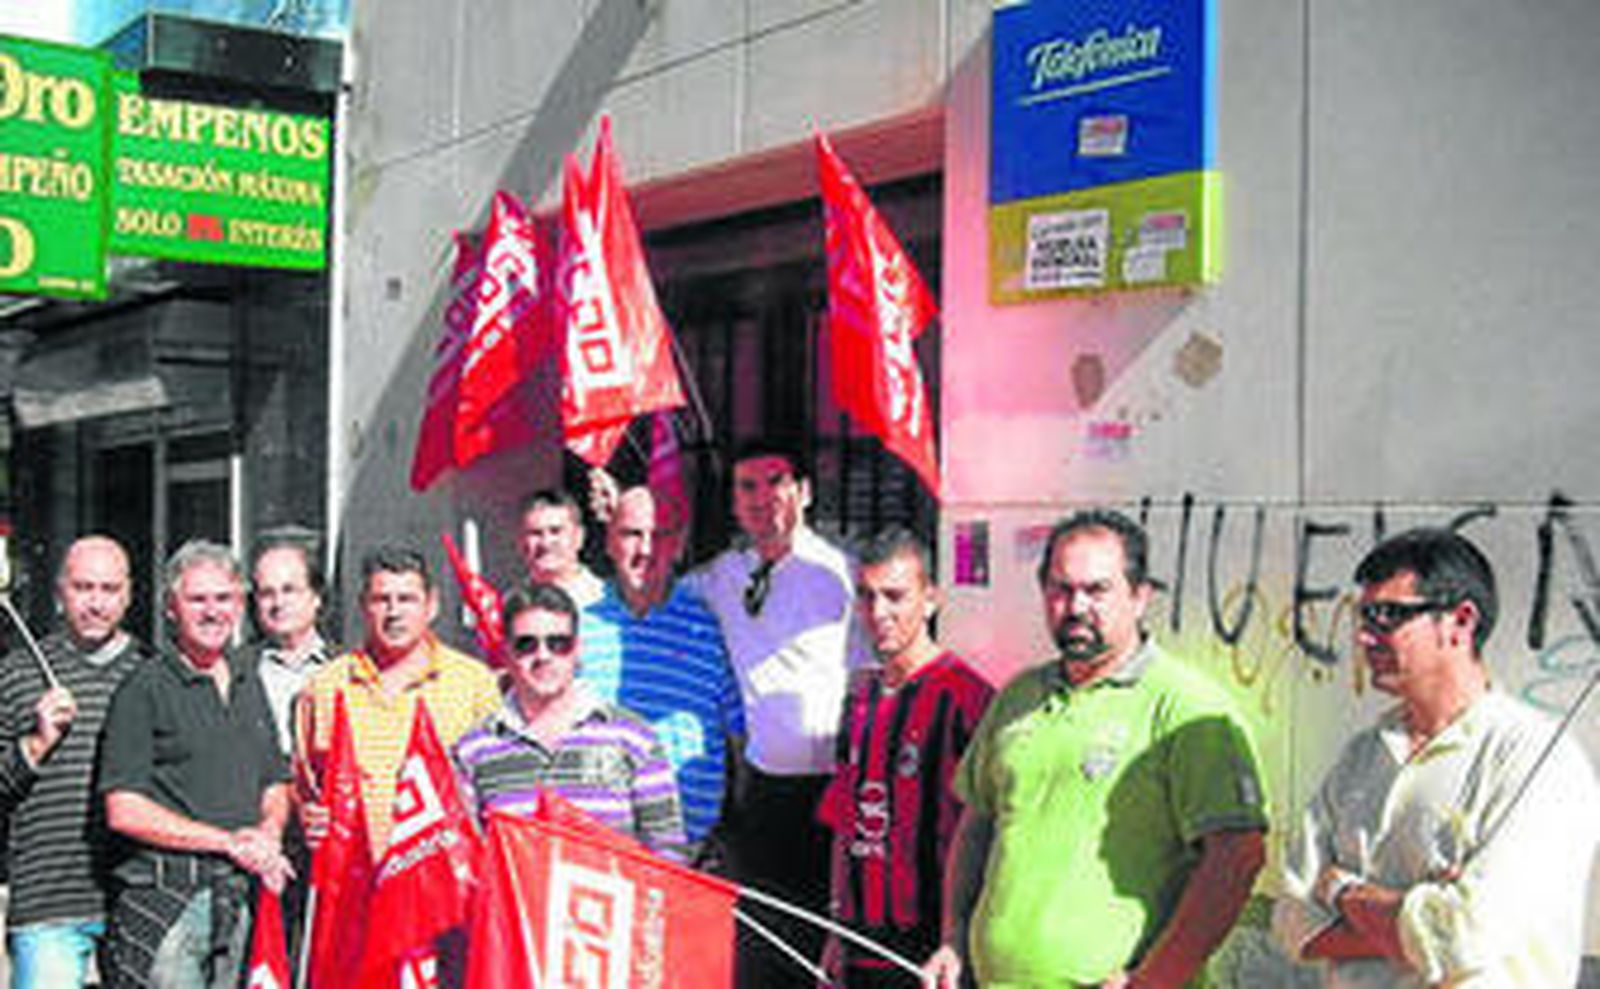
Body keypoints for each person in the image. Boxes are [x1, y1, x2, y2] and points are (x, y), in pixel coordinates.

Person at [924, 509, 1268, 989]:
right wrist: (954, 938)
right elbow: (976, 825)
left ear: (1139, 596)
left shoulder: (1187, 710)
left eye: (1097, 590)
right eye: (1061, 589)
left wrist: (1156, 980)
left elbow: (1237, 857)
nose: (1076, 606)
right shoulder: (1019, 697)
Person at [1273, 527, 1600, 988]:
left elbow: (1466, 933)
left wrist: (1343, 892)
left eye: (1387, 616)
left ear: (1460, 622)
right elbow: (1291, 920)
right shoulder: (1362, 758)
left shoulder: (1536, 760)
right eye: (1363, 617)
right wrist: (1415, 913)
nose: (1365, 638)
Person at [689, 437, 866, 986]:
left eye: (776, 483)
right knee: (769, 949)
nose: (763, 498)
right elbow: (649, 588)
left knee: (840, 945)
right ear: (735, 502)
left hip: (841, 790)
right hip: (766, 793)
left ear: (804, 492)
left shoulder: (844, 575)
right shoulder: (721, 577)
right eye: (748, 487)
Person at [97, 540, 293, 988]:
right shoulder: (143, 688)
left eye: (224, 598)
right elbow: (124, 809)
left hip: (240, 896)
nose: (212, 611)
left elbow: (274, 780)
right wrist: (227, 842)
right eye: (197, 599)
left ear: (241, 604)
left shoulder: (248, 680)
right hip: (169, 902)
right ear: (171, 608)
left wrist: (268, 833)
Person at [818, 528, 993, 987]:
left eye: (895, 596)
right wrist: (835, 928)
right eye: (866, 596)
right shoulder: (859, 697)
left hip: (933, 953)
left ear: (930, 599)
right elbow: (845, 823)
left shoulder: (967, 699)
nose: (878, 613)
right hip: (859, 946)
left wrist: (959, 940)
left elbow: (990, 832)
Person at [0, 536, 150, 988]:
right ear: (59, 594)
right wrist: (37, 742)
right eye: (83, 588)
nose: (96, 603)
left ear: (128, 595)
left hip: (136, 899)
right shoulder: (18, 672)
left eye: (108, 589)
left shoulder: (150, 671)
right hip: (47, 903)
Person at [454, 582, 688, 859]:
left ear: (578, 650)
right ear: (506, 652)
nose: (543, 656)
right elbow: (462, 857)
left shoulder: (633, 738)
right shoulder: (472, 751)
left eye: (558, 644)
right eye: (526, 644)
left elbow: (668, 854)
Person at [295, 545, 501, 855]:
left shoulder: (473, 684)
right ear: (364, 606)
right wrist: (306, 816)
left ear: (431, 606)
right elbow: (302, 787)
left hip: (444, 875)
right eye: (381, 600)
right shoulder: (326, 688)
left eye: (406, 599)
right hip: (355, 877)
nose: (394, 613)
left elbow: (495, 786)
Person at [579, 485, 744, 859]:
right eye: (631, 534)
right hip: (599, 846)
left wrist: (735, 826)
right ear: (609, 542)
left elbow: (737, 735)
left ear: (681, 543)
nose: (646, 549)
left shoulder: (708, 625)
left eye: (661, 534)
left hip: (689, 851)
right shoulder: (579, 627)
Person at [248, 528, 332, 756]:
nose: (278, 603)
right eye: (267, 593)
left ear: (317, 597)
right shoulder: (234, 671)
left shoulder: (350, 668)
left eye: (289, 590)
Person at [516, 488, 604, 609]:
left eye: (555, 531)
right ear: (520, 541)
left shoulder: (604, 600)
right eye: (535, 533)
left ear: (579, 537)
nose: (545, 543)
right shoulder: (511, 605)